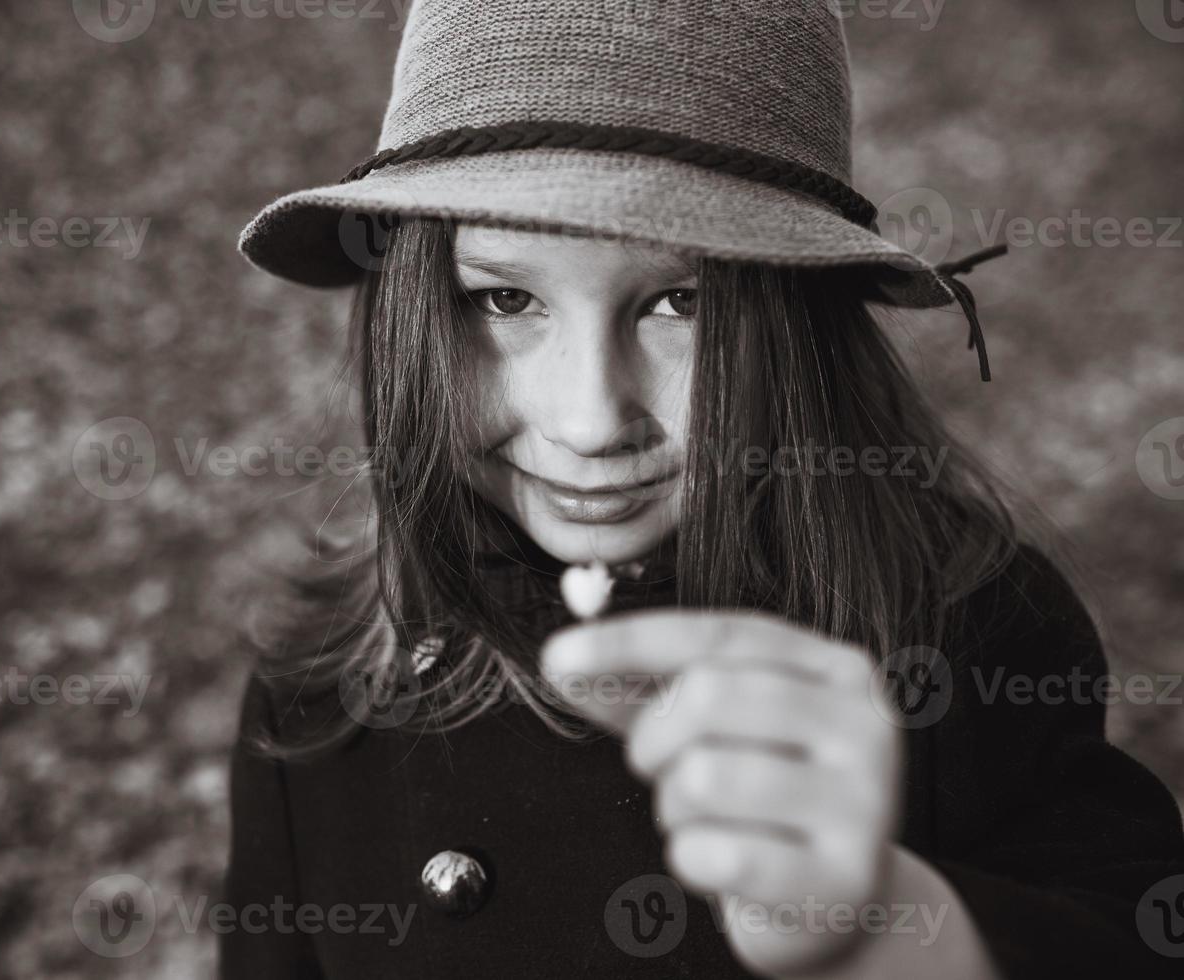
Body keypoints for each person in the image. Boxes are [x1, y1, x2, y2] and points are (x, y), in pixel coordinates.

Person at [221, 1, 1184, 976]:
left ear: (798, 325)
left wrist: (888, 921)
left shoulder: (963, 631)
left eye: (682, 302)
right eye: (503, 298)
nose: (591, 420)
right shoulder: (325, 686)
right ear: (414, 312)